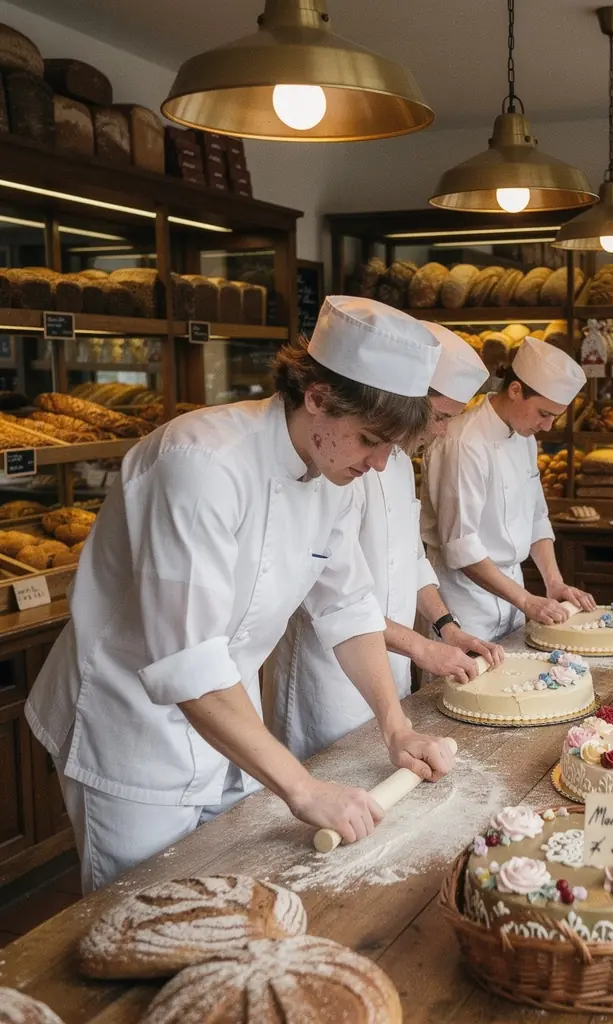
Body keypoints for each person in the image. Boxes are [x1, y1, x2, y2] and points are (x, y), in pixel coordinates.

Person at [24, 296, 457, 893]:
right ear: (319, 399)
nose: (380, 465)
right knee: (143, 921)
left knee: (227, 905)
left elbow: (347, 608)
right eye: (371, 440)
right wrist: (303, 789)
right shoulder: (201, 463)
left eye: (394, 448)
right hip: (131, 736)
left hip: (232, 728)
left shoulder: (332, 471)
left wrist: (396, 727)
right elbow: (189, 661)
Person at [272, 323, 504, 762]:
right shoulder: (338, 457)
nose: (441, 431)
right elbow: (332, 597)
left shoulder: (393, 460)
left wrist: (446, 628)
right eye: (439, 417)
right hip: (329, 676)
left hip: (390, 664)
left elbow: (410, 558)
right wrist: (422, 647)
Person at [421, 337, 595, 642]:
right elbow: (462, 546)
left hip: (512, 593)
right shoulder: (464, 442)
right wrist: (526, 600)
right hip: (465, 604)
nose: (548, 427)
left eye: (555, 416)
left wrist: (553, 582)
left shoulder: (524, 437)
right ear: (515, 390)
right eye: (544, 413)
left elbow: (537, 518)